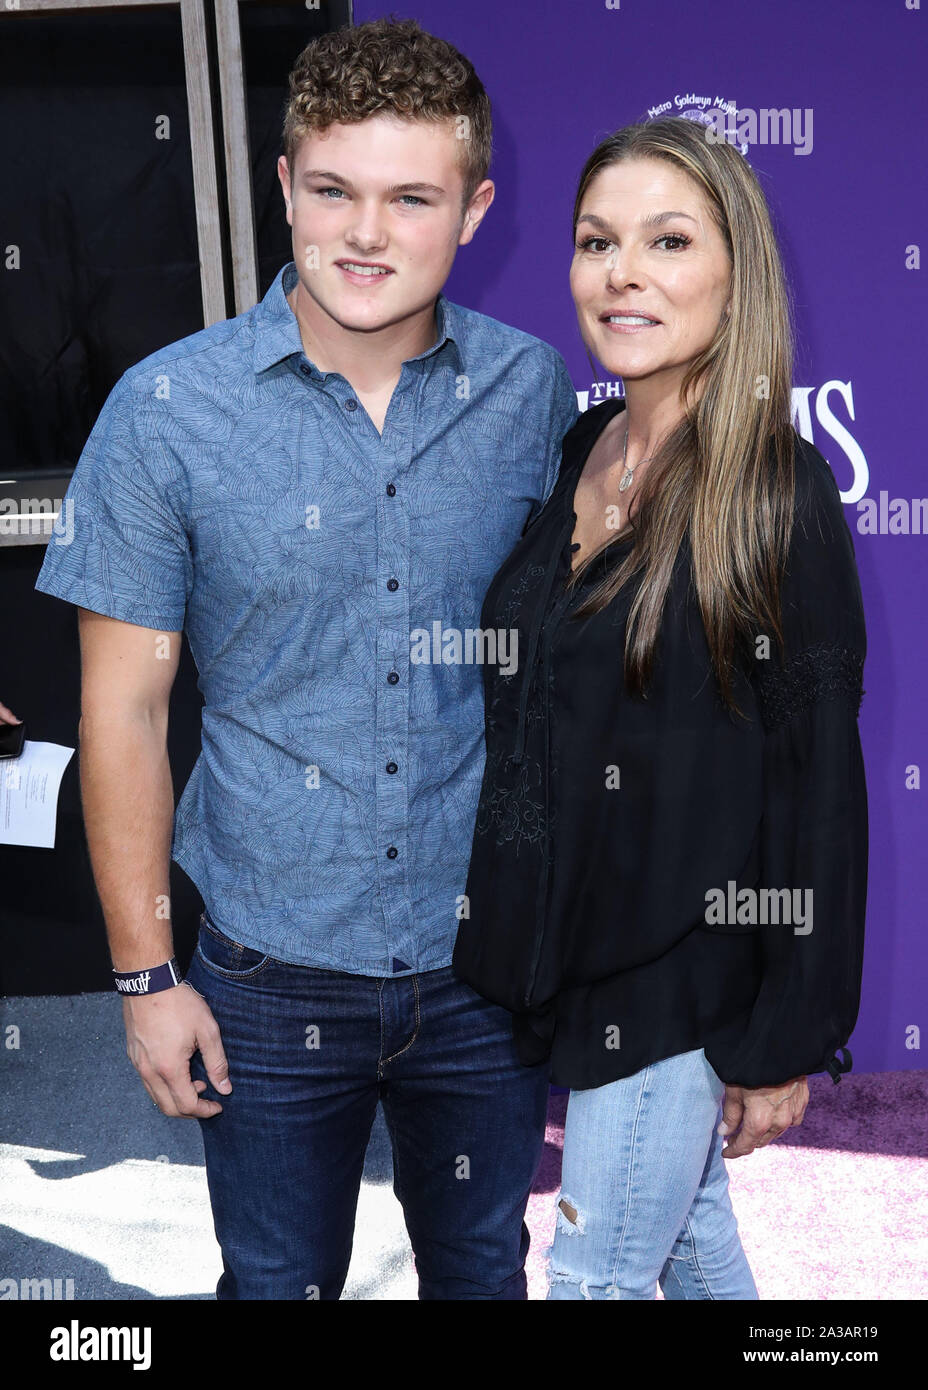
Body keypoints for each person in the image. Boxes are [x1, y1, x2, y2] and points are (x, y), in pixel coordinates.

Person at [33, 18, 579, 1300]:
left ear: (477, 207)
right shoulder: (166, 412)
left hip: (483, 965)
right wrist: (145, 976)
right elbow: (124, 712)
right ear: (282, 187)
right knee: (273, 1285)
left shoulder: (534, 394)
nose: (366, 234)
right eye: (331, 189)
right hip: (266, 969)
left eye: (411, 197)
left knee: (483, 1277)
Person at [452, 116, 868, 1300]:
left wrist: (785, 1036)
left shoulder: (774, 491)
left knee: (590, 1279)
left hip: (676, 979)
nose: (621, 272)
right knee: (692, 1249)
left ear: (735, 275)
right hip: (576, 950)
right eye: (597, 240)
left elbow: (819, 786)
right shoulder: (586, 442)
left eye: (667, 240)